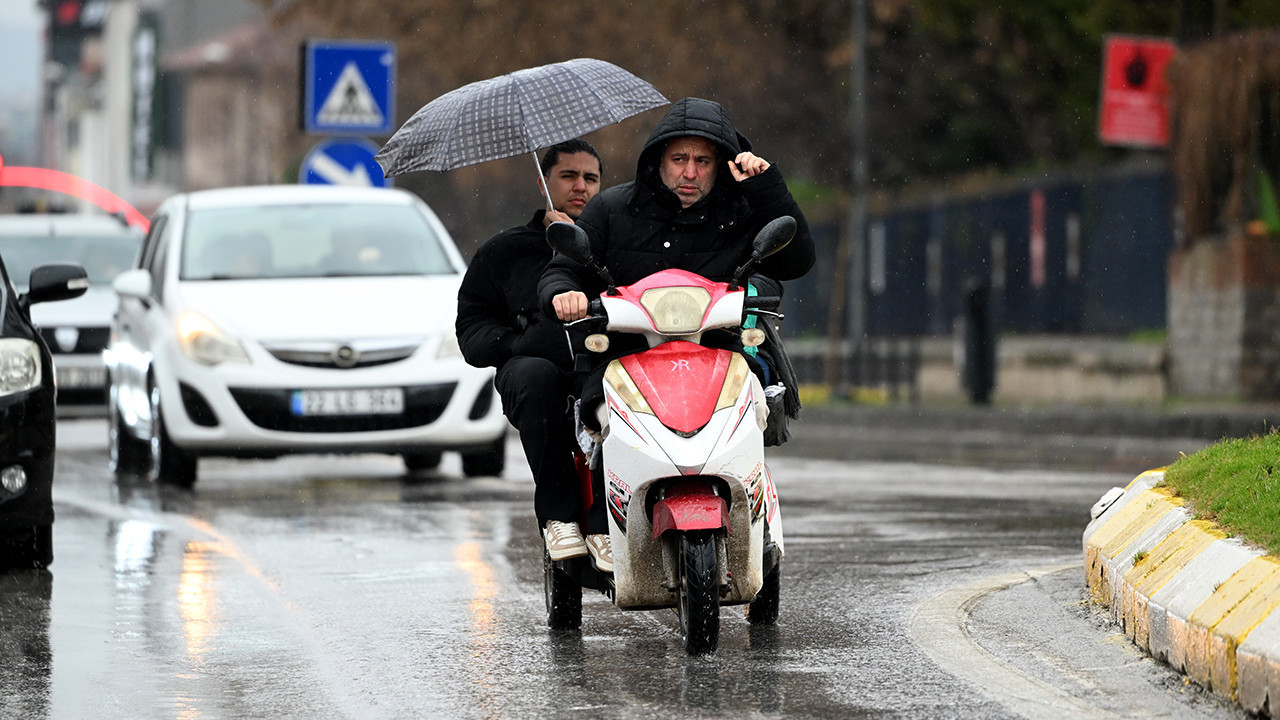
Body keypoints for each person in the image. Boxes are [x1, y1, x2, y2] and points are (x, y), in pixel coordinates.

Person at [538, 97, 815, 432]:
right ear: (659, 159)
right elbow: (564, 270)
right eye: (679, 158)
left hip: (723, 355)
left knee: (752, 413)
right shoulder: (611, 208)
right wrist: (563, 293)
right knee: (611, 423)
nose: (690, 172)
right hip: (622, 358)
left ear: (722, 164)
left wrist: (767, 189)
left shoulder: (742, 211)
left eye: (703, 161)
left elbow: (795, 262)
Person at [455, 138, 613, 572]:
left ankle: (608, 523)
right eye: (568, 176)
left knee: (623, 386)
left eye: (591, 178)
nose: (580, 186)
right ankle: (560, 518)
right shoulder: (504, 250)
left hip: (603, 366)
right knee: (534, 378)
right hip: (534, 374)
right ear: (544, 183)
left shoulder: (615, 244)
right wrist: (516, 343)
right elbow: (471, 329)